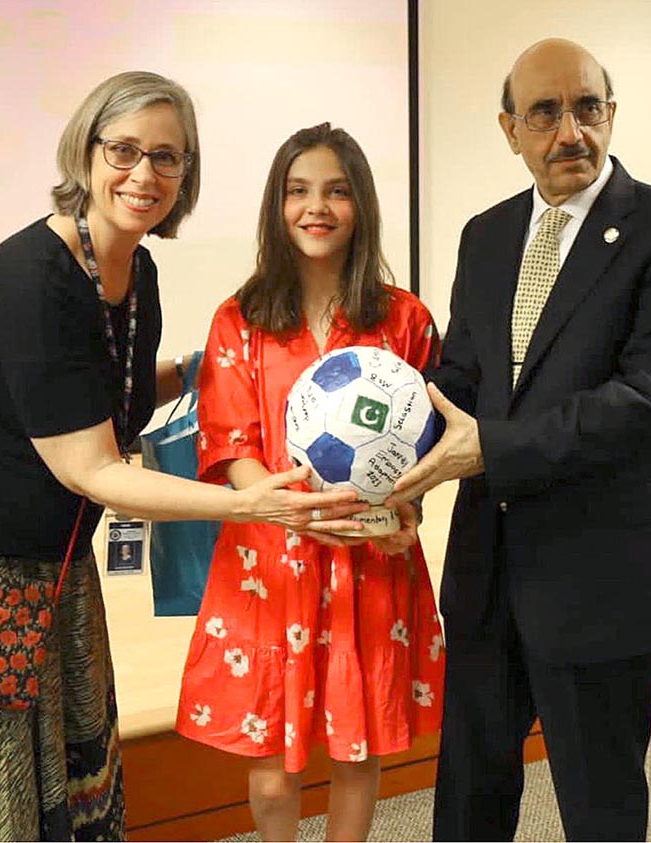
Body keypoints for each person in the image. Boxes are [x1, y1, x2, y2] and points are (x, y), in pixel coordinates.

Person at [0, 73, 364, 843]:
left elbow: (110, 394)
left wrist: (213, 366)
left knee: (76, 774)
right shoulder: (31, 281)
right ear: (87, 151)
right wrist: (253, 503)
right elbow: (92, 467)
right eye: (125, 150)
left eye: (167, 158)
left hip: (62, 563)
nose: (144, 176)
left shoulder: (137, 275)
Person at [387, 39, 651, 842]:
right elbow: (464, 375)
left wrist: (492, 451)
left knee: (600, 807)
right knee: (469, 798)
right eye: (544, 112)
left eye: (587, 107)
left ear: (611, 115)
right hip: (486, 571)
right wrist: (391, 452)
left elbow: (649, 398)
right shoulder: (487, 234)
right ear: (510, 129)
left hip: (600, 581)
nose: (569, 131)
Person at [175, 123, 445, 842]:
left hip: (369, 557)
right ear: (277, 204)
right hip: (269, 562)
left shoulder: (405, 320)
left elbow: (427, 441)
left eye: (335, 190)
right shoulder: (240, 319)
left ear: (361, 204)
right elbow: (230, 443)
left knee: (357, 752)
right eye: (298, 191)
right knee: (271, 765)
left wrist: (406, 508)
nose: (315, 207)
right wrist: (289, 509)